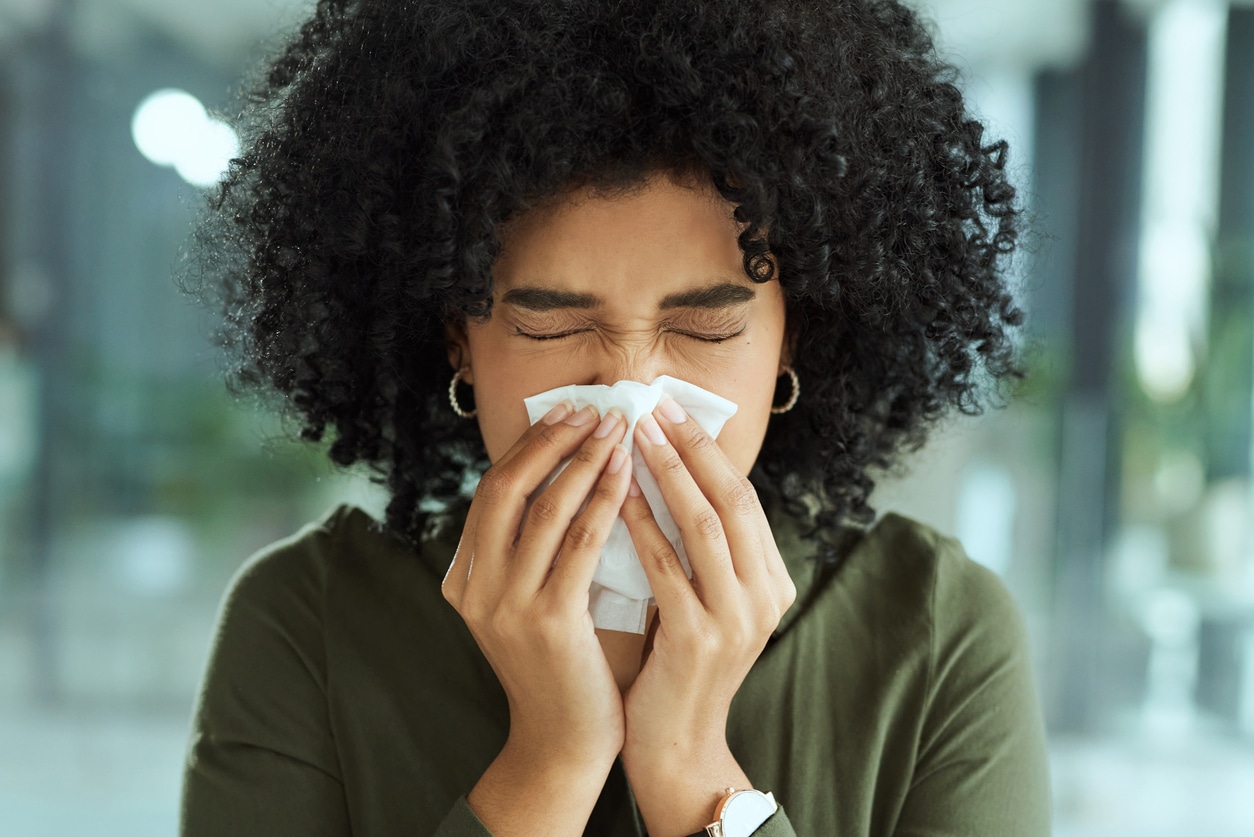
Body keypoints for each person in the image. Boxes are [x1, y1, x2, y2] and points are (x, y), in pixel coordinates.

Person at [180, 0, 1051, 835]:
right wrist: (552, 760)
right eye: (551, 327)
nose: (633, 391)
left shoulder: (937, 634)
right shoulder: (306, 622)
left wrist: (692, 768)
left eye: (705, 327)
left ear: (793, 339)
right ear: (458, 342)